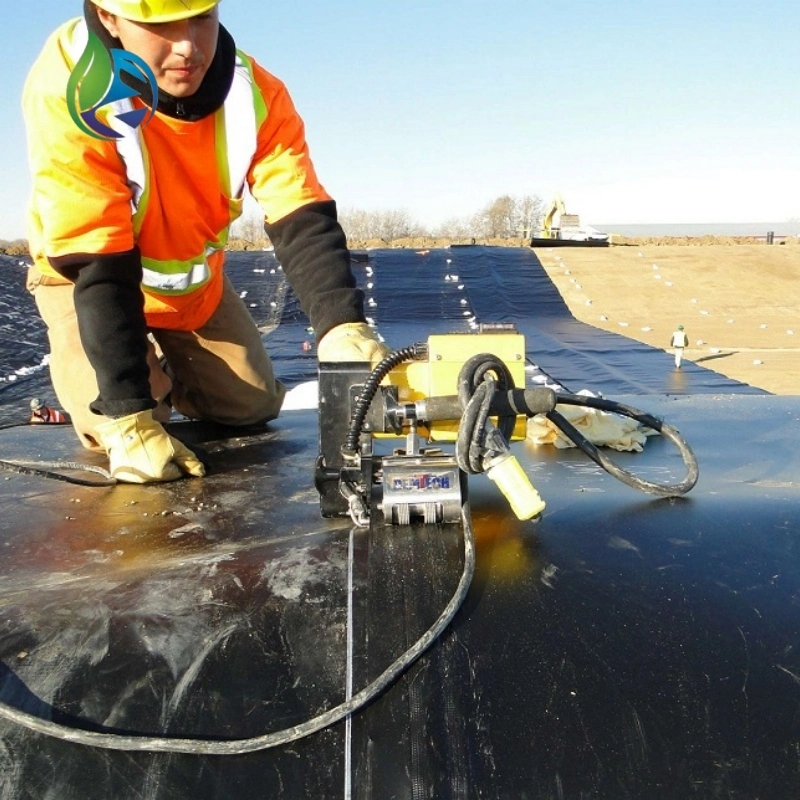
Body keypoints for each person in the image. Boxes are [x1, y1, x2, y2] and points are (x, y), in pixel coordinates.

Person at [22, 0, 387, 484]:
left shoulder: (256, 93)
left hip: (190, 288)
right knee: (126, 420)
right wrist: (130, 412)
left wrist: (341, 325)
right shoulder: (70, 86)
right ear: (108, 17)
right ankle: (140, 387)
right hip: (85, 280)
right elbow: (96, 250)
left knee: (251, 405)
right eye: (160, 25)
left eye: (201, 17)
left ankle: (165, 377)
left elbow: (298, 208)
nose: (188, 46)